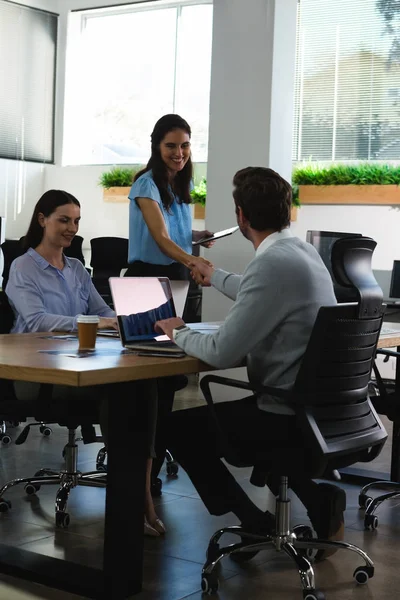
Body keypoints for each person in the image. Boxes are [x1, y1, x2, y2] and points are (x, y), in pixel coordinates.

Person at [154, 167, 345, 558]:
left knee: (177, 428)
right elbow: (258, 288)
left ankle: (251, 520)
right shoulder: (300, 252)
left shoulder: (271, 263)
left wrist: (178, 330)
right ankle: (320, 502)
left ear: (240, 215)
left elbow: (222, 352)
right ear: (286, 211)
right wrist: (214, 274)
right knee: (244, 427)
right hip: (315, 409)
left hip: (282, 413)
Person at [6, 189, 165, 537]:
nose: (71, 228)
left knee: (145, 382)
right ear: (42, 219)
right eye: (64, 219)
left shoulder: (77, 268)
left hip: (81, 363)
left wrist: (127, 321)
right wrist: (91, 323)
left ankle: (141, 490)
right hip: (40, 372)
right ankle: (135, 501)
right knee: (119, 393)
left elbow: (102, 311)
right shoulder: (23, 266)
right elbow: (35, 321)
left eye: (76, 221)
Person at [126, 113, 214, 482]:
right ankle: (137, 476)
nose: (179, 153)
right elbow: (160, 239)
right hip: (146, 282)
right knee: (147, 384)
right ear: (156, 147)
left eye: (184, 145)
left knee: (171, 380)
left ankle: (153, 471)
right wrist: (193, 257)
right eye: (170, 146)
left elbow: (175, 234)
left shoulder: (180, 187)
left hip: (177, 279)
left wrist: (197, 236)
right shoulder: (146, 185)